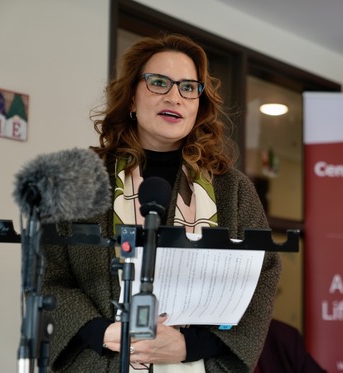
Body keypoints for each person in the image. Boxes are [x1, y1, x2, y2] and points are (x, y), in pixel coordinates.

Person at [41, 34, 282, 372]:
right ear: (132, 98)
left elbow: (262, 278)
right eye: (158, 82)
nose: (175, 97)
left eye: (188, 87)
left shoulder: (233, 189)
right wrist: (102, 332)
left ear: (199, 104)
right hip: (100, 361)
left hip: (196, 363)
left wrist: (188, 345)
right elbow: (48, 276)